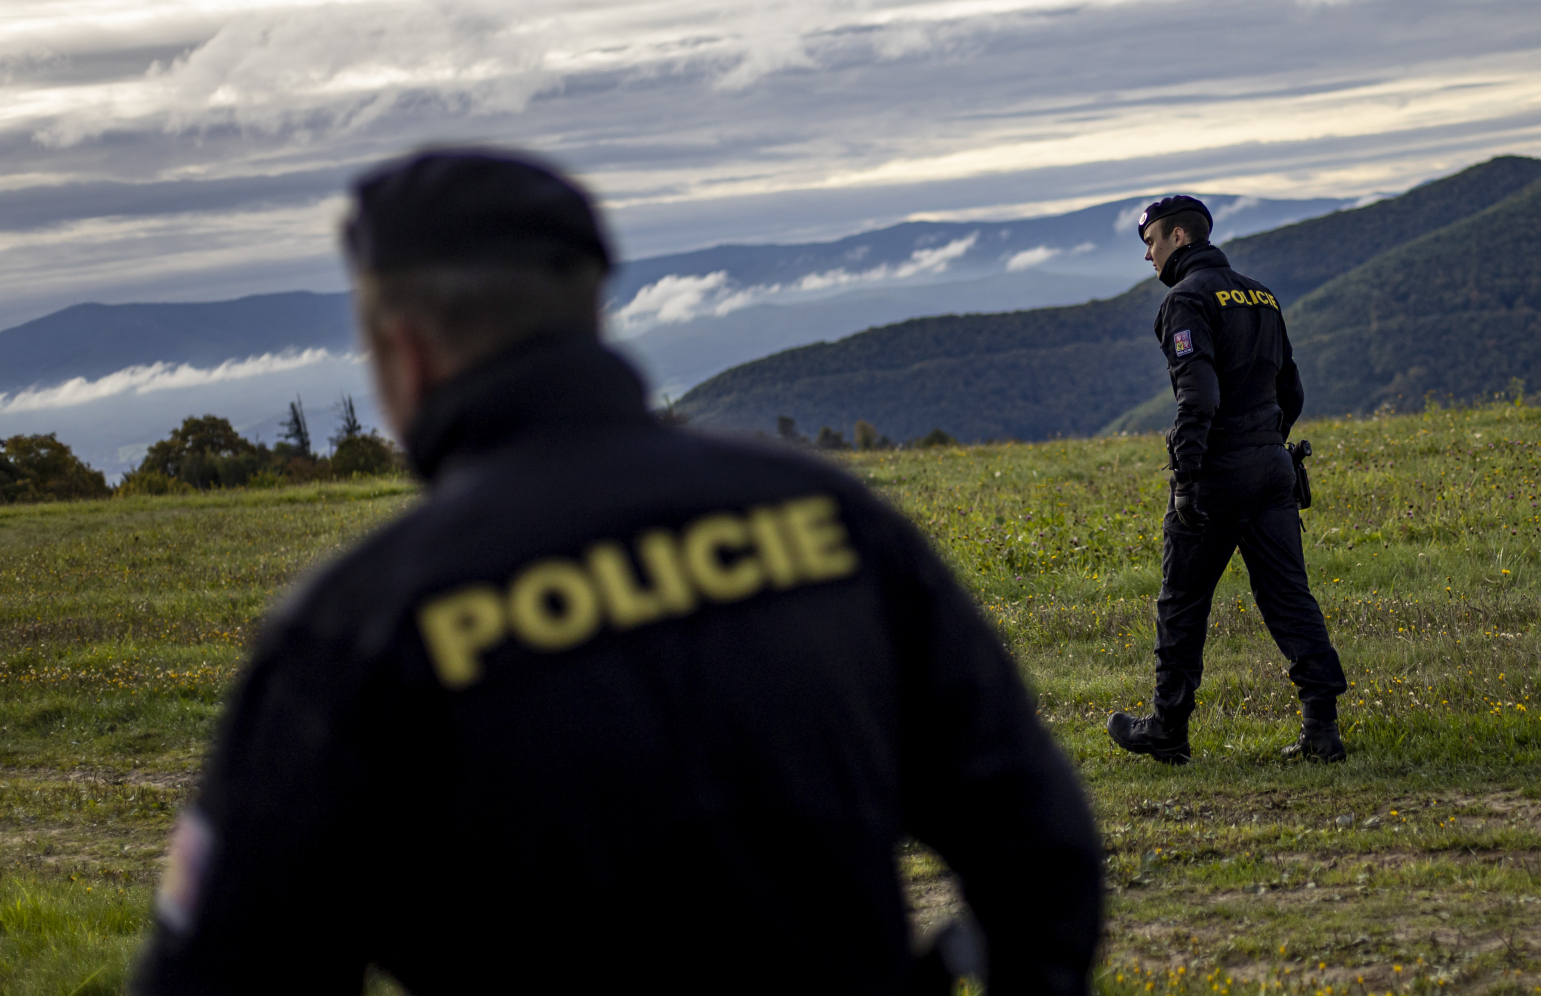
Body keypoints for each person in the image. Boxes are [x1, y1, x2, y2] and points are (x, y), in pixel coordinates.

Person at [134, 148, 1103, 995]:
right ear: (590, 311)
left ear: (405, 349)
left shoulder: (359, 631)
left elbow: (220, 972)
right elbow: (1042, 850)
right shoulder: (829, 522)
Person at [1105, 195, 1349, 765]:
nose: (1148, 257)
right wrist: (1269, 442)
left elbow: (1199, 395)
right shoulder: (1261, 294)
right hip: (1272, 468)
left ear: (1179, 239)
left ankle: (1167, 729)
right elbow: (1292, 391)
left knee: (1183, 604)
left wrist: (1187, 476)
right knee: (1290, 598)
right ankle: (1322, 730)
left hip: (1217, 473)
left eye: (1151, 243)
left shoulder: (1185, 301)